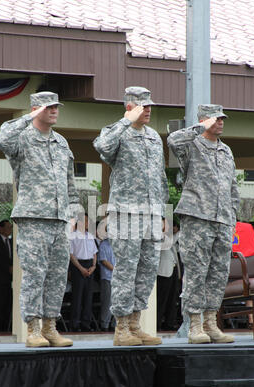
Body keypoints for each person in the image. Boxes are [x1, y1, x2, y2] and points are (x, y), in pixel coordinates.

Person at [0, 91, 80, 347]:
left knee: (56, 276)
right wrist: (28, 117)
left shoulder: (62, 142)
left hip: (60, 219)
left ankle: (50, 327)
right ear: (35, 109)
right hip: (33, 218)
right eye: (48, 107)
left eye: (56, 107)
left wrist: (74, 215)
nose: (54, 110)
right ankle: (32, 330)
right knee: (35, 275)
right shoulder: (21, 138)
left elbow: (70, 183)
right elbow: (1, 139)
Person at [93, 86, 169, 346]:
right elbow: (101, 146)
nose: (148, 110)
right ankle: (121, 327)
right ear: (129, 107)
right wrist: (124, 122)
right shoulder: (117, 133)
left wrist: (161, 212)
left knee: (147, 270)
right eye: (142, 106)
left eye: (149, 106)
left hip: (150, 214)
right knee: (126, 269)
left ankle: (136, 324)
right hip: (126, 213)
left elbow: (159, 177)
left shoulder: (153, 137)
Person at [168, 104, 240, 344]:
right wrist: (200, 127)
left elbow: (232, 187)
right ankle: (194, 326)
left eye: (222, 119)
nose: (221, 122)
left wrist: (232, 217)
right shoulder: (192, 145)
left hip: (222, 220)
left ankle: (211, 323)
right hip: (198, 217)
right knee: (197, 272)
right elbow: (173, 140)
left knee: (218, 273)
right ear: (205, 120)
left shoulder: (226, 150)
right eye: (216, 119)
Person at [69, 213, 98, 331]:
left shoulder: (90, 236)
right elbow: (71, 255)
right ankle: (74, 323)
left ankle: (86, 323)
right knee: (77, 296)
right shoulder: (73, 236)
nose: (87, 224)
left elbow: (94, 253)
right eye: (86, 221)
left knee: (88, 296)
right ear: (79, 222)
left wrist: (94, 266)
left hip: (89, 265)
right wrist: (80, 268)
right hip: (78, 266)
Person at [157, 222, 182, 331]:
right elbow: (168, 243)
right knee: (162, 299)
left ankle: (169, 323)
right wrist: (180, 231)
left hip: (174, 269)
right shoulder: (160, 236)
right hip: (163, 272)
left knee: (173, 299)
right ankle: (157, 323)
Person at [98, 226, 116, 331]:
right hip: (107, 277)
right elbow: (104, 261)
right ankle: (105, 324)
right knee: (107, 302)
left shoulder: (117, 245)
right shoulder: (104, 244)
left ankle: (114, 324)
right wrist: (116, 270)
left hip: (117, 278)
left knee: (116, 301)